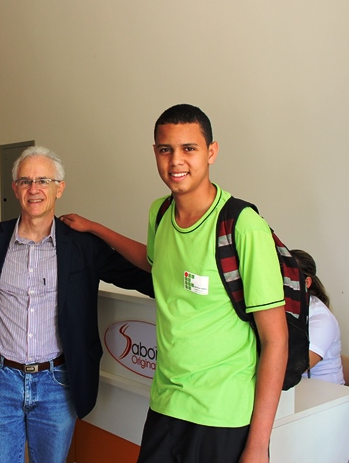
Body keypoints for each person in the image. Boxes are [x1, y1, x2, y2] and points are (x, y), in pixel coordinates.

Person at [60, 104, 288, 463]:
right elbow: (154, 261)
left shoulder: (243, 226)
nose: (176, 161)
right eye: (166, 149)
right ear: (155, 152)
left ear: (211, 152)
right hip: (166, 403)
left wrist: (258, 447)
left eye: (189, 148)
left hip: (223, 413)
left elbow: (276, 341)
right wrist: (96, 228)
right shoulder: (161, 212)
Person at [0, 145, 153, 463]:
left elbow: (141, 276)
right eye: (26, 181)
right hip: (0, 379)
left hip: (57, 383)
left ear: (60, 188)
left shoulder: (83, 245)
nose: (34, 189)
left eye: (43, 181)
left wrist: (192, 281)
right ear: (15, 188)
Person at [291, 249, 344, 385]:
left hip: (327, 394)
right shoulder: (287, 311)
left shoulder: (322, 319)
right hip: (296, 390)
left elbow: (296, 367)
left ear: (306, 283)